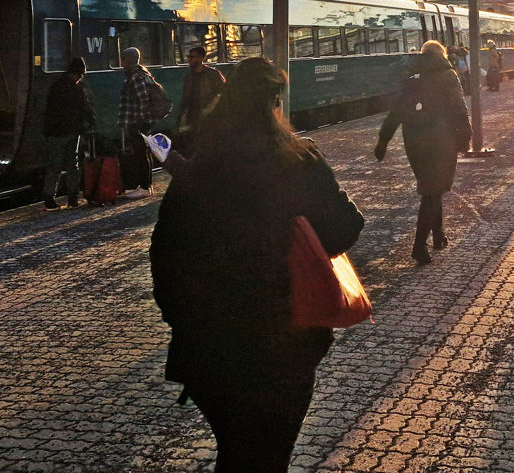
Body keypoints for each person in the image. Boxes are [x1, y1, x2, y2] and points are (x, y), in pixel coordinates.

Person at [150, 58, 364, 473]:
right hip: (283, 342)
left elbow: (166, 254)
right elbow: (344, 229)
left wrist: (182, 318)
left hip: (208, 345)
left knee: (236, 451)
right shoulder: (300, 160)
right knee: (267, 455)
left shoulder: (198, 169)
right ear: (274, 101)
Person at [374, 41, 471, 265]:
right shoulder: (448, 76)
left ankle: (438, 236)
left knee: (432, 189)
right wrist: (465, 139)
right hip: (441, 141)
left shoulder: (410, 77)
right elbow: (460, 110)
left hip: (414, 142)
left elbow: (395, 111)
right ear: (442, 55)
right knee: (433, 192)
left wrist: (383, 140)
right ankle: (419, 247)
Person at [42, 56, 95, 209]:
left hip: (56, 132)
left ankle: (50, 197)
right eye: (80, 74)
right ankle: (72, 197)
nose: (81, 77)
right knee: (72, 165)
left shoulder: (56, 86)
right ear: (76, 73)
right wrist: (87, 127)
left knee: (55, 166)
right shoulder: (77, 89)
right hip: (70, 132)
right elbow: (84, 110)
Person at [118, 46, 171, 197]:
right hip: (140, 121)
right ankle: (146, 186)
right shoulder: (143, 74)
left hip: (137, 122)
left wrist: (140, 124)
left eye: (123, 59)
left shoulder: (135, 77)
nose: (121, 62)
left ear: (127, 60)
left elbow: (143, 100)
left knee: (141, 154)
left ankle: (144, 187)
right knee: (143, 153)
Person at [175, 44, 226, 156]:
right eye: (189, 57)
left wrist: (211, 107)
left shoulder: (213, 75)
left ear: (201, 58)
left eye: (192, 57)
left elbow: (223, 93)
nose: (189, 60)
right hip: (193, 118)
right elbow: (185, 99)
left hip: (209, 117)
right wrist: (182, 117)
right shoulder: (189, 77)